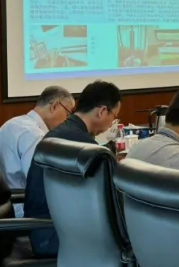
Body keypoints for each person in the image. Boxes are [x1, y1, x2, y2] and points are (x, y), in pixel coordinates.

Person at [25, 80, 121, 256]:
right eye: (114, 117)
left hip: (41, 230)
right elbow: (112, 198)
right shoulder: (86, 148)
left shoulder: (60, 133)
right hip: (54, 235)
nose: (111, 124)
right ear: (102, 111)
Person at [0, 86, 74, 217]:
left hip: (9, 204)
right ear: (55, 106)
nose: (66, 120)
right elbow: (41, 183)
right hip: (24, 211)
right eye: (67, 113)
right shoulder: (33, 135)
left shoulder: (11, 124)